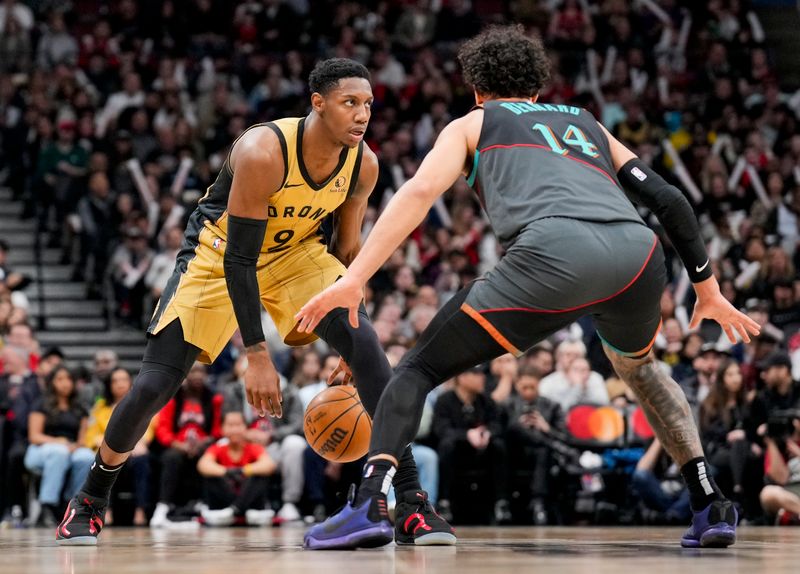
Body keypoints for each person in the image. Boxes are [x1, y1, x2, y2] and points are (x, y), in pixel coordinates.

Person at [296, 26, 760, 549]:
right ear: (537, 89)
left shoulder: (475, 122)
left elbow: (422, 190)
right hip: (637, 254)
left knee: (417, 368)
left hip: (553, 252)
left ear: (476, 88)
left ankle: (372, 504)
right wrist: (709, 287)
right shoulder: (584, 122)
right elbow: (670, 199)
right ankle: (709, 501)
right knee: (642, 369)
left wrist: (354, 280)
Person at [57, 58, 451, 546]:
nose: (362, 114)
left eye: (368, 104)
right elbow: (240, 261)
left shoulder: (363, 163)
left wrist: (351, 339)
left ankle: (411, 503)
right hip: (219, 254)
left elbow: (348, 251)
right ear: (318, 103)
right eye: (350, 102)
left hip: (297, 254)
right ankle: (90, 499)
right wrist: (257, 354)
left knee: (370, 353)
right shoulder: (264, 149)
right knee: (155, 384)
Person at [198, 411, 276, 527]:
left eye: (238, 425)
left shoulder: (254, 448)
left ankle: (234, 510)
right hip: (225, 499)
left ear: (246, 428)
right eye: (230, 425)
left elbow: (269, 465)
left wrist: (244, 470)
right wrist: (227, 472)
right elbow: (203, 465)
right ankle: (234, 509)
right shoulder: (218, 448)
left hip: (250, 501)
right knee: (212, 476)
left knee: (259, 475)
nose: (234, 430)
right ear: (222, 429)